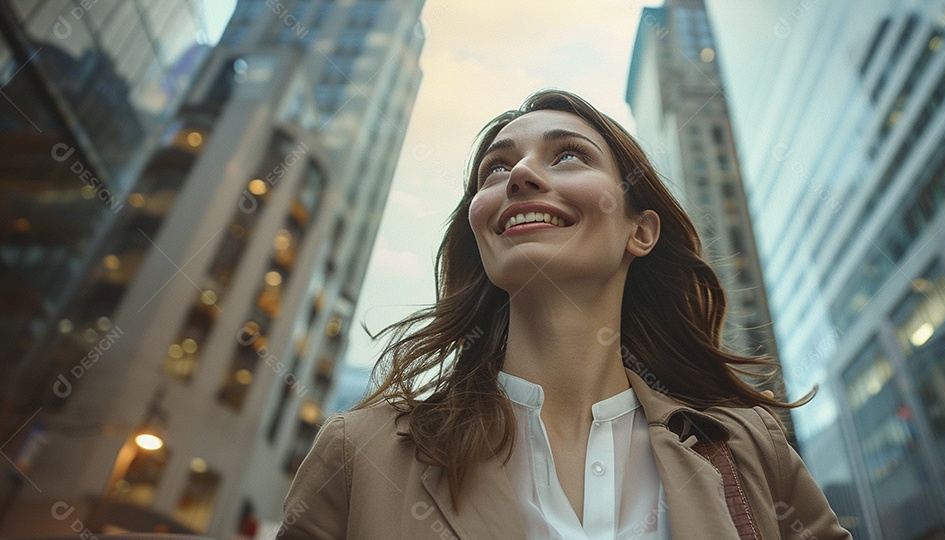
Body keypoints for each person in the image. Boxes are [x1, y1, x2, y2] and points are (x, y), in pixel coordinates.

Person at [280, 89, 851, 539]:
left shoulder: (750, 449)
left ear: (640, 230)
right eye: (496, 170)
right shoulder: (360, 454)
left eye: (569, 155)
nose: (521, 177)